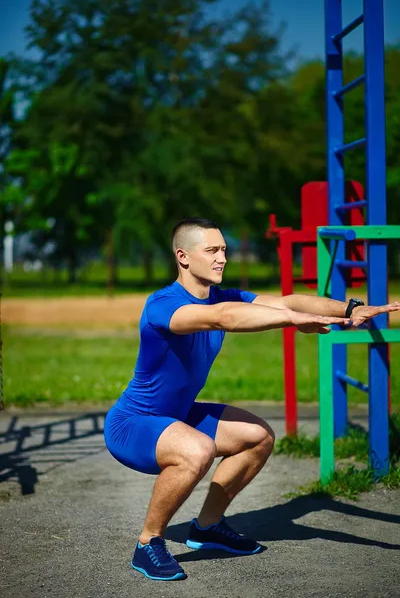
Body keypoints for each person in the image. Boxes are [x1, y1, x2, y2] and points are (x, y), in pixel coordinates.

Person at [104, 217, 399, 581]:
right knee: (197, 450)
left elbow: (285, 300)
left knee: (258, 437)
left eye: (224, 250)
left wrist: (349, 309)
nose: (222, 258)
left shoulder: (221, 295)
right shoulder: (163, 305)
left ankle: (207, 527)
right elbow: (221, 319)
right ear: (183, 257)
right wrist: (292, 320)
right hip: (133, 424)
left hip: (176, 417)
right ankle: (149, 543)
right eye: (211, 250)